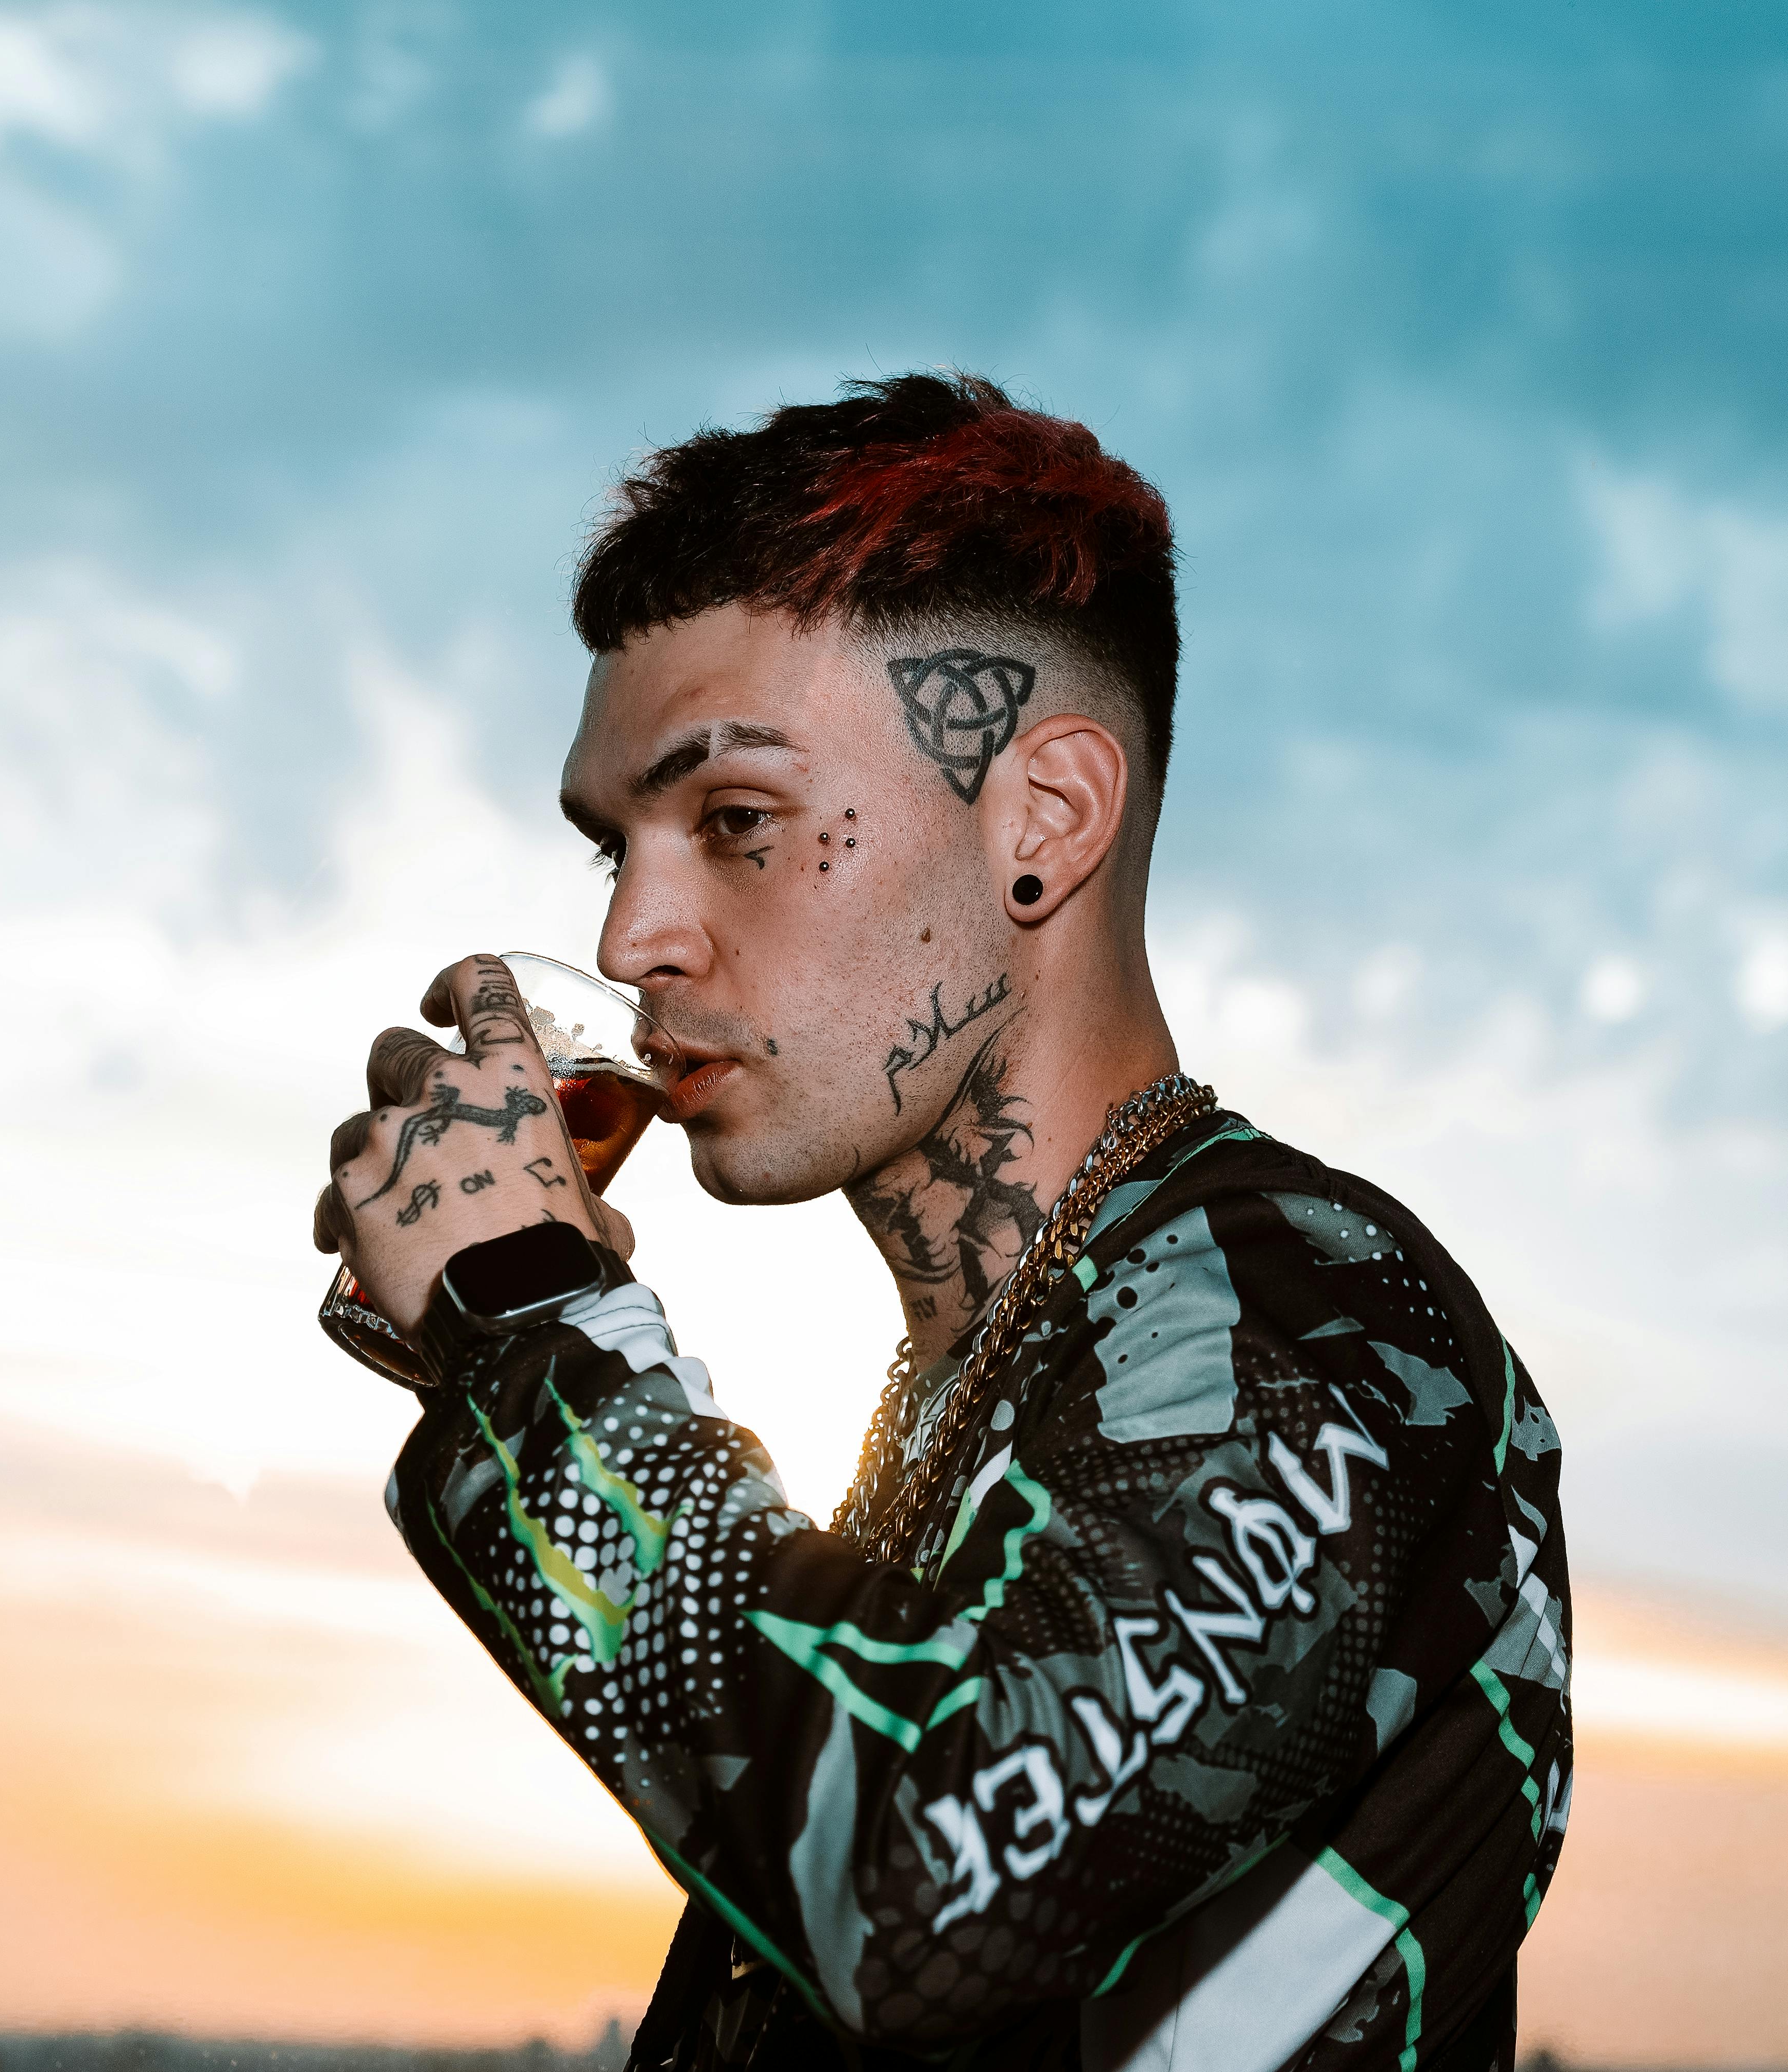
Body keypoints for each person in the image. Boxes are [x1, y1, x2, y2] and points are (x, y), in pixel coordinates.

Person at [311, 374, 1570, 2071]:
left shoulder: (1322, 1315)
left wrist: (533, 1331)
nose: (629, 941)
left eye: (734, 823)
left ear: (1041, 821)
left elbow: (927, 1889)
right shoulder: (982, 1380)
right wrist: (495, 1375)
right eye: (615, 849)